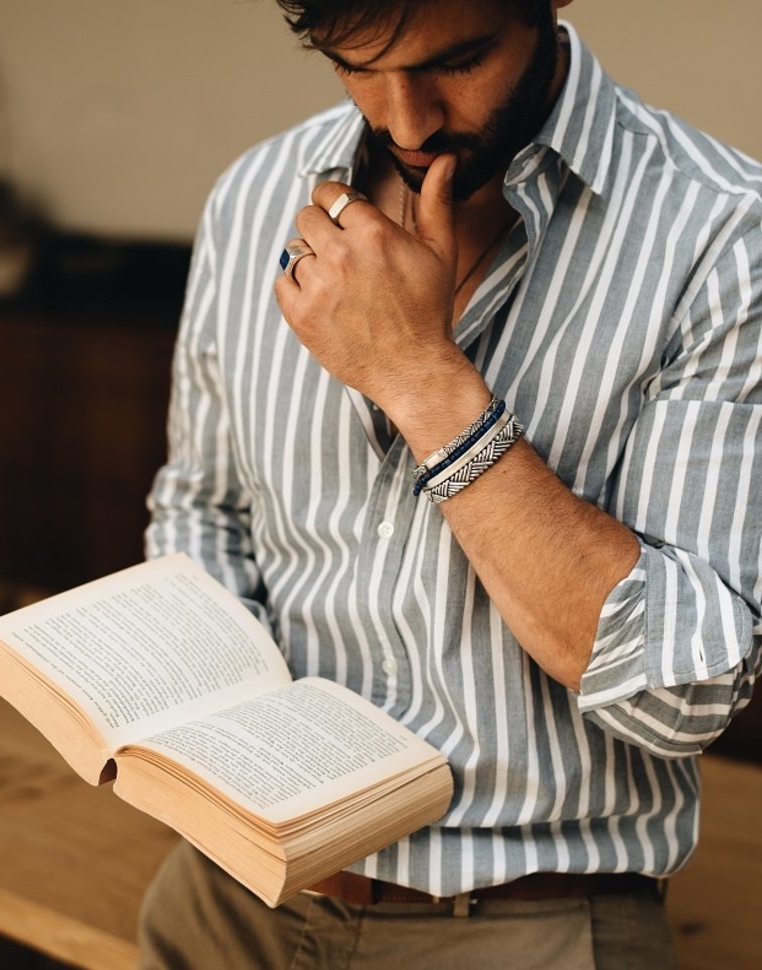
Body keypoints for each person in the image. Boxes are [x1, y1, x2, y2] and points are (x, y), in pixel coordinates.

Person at [139, 1, 762, 966]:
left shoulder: (725, 235)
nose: (409, 122)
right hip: (225, 898)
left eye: (458, 61)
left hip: (529, 924)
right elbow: (204, 507)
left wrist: (421, 378)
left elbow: (680, 692)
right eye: (355, 65)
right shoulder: (255, 194)